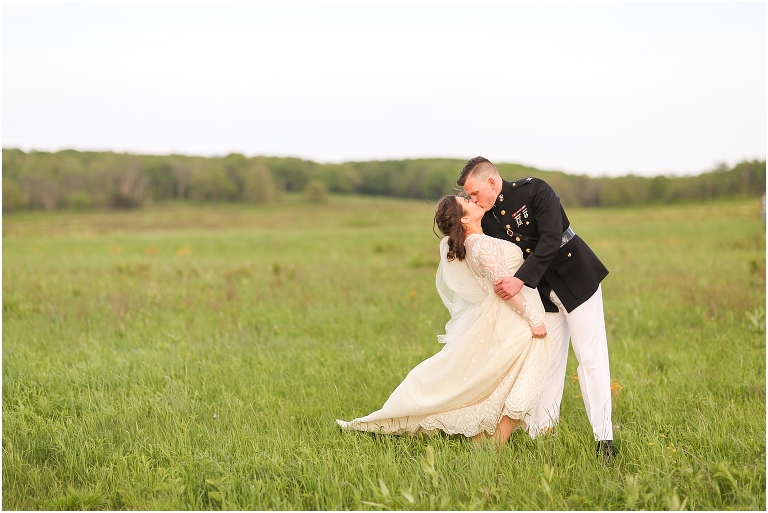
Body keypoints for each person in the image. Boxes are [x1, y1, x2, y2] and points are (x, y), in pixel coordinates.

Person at [337, 195, 552, 443]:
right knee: (518, 381)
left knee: (504, 381)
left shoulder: (469, 244)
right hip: (513, 317)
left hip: (502, 315)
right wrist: (534, 320)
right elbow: (505, 288)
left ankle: (484, 441)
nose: (473, 200)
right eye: (468, 202)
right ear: (465, 218)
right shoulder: (482, 245)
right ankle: (492, 446)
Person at [458, 156, 615, 462]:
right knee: (548, 363)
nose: (472, 199)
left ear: (491, 182)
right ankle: (541, 435)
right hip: (542, 292)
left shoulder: (534, 191)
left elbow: (551, 239)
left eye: (475, 193)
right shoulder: (487, 220)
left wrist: (519, 281)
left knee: (591, 360)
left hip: (576, 277)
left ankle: (604, 440)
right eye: (469, 196)